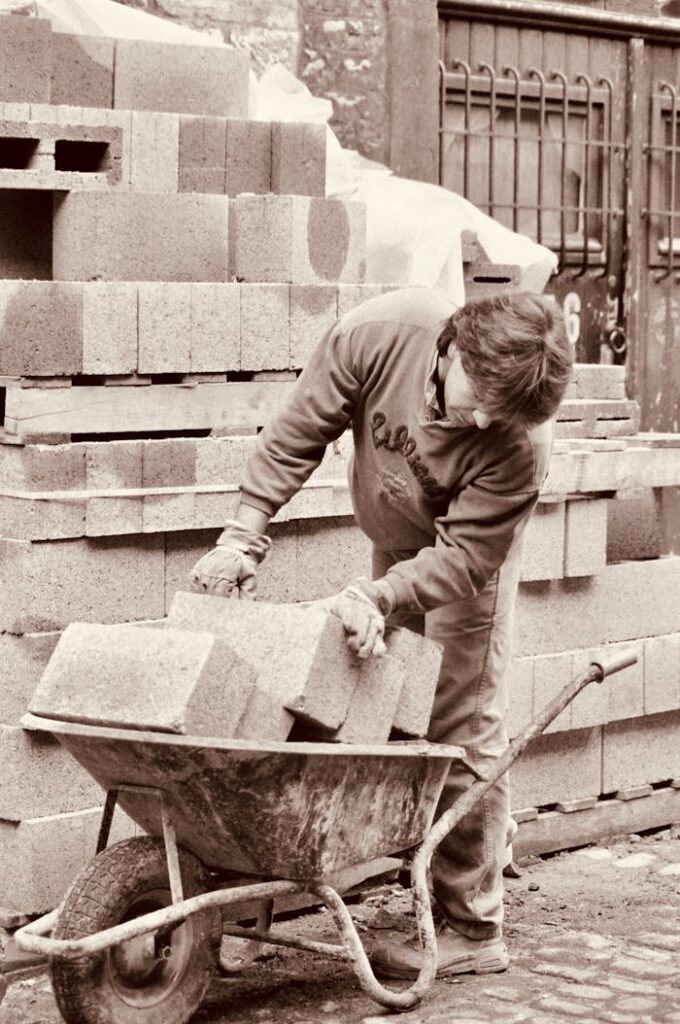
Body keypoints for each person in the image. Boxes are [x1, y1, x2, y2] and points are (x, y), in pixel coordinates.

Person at [189, 286, 573, 978]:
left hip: (464, 565)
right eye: (479, 397)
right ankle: (433, 854)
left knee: (460, 723)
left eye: (502, 415)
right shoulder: (378, 333)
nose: (483, 420)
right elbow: (299, 429)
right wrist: (243, 534)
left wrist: (378, 595)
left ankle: (473, 926)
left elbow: (463, 557)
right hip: (396, 532)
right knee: (382, 694)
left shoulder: (517, 441)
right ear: (453, 347)